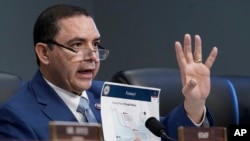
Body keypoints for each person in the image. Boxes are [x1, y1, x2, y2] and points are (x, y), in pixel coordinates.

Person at [0, 4, 218, 141]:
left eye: (95, 45)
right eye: (77, 45)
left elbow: (164, 133)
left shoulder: (111, 95)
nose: (92, 56)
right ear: (44, 53)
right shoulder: (16, 117)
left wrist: (194, 103)